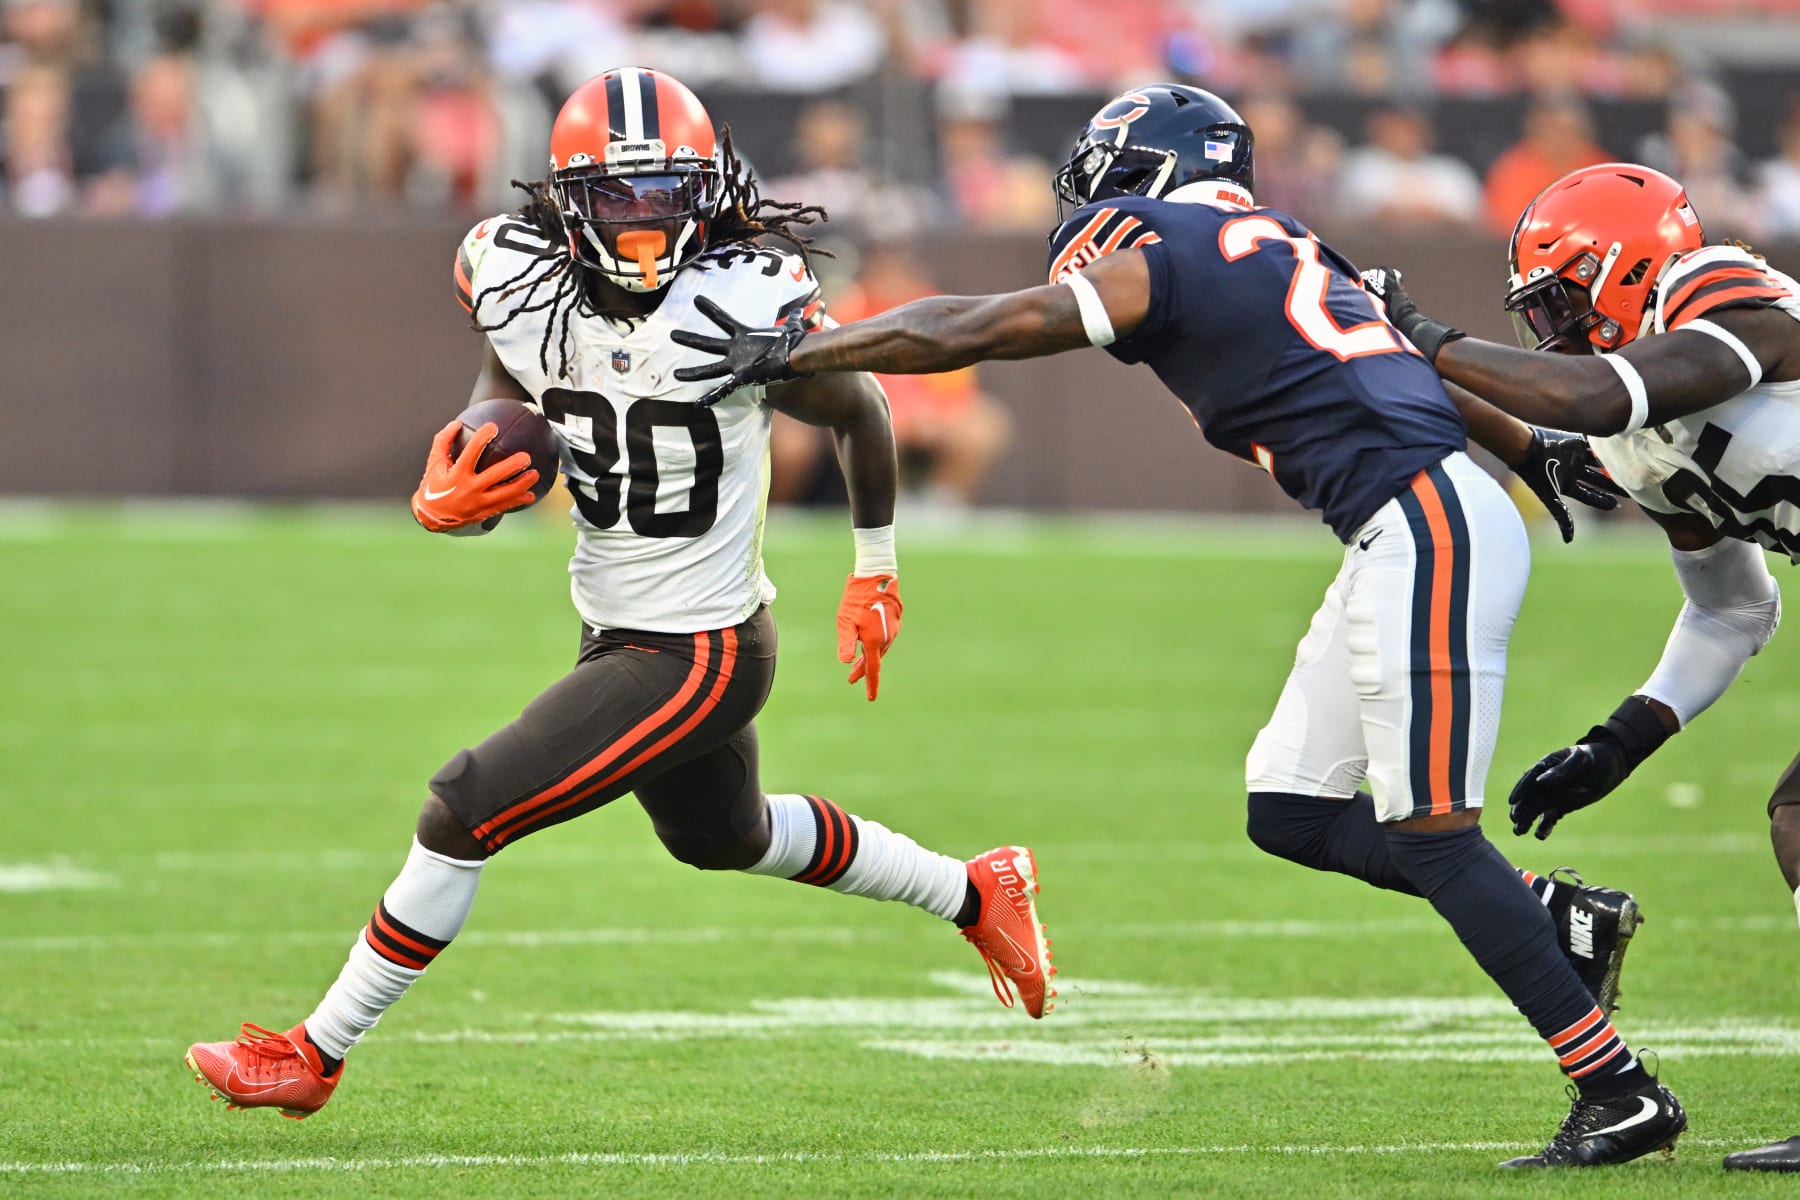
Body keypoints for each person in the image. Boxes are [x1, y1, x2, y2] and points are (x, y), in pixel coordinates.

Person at [673, 84, 1683, 1169]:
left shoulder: (1169, 237)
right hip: (1415, 516)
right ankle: (1555, 922)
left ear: (1146, 168)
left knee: (1432, 830)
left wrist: (806, 351)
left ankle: (1618, 1091)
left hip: (1423, 521)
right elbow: (1407, 348)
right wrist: (1530, 453)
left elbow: (994, 324)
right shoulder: (1282, 236)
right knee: (1291, 807)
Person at [182, 67, 1056, 1121]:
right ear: (567, 201)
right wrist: (454, 474)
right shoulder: (516, 277)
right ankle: (976, 890)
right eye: (620, 204)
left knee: (463, 807)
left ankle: (314, 1053)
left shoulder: (744, 296)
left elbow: (861, 404)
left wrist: (875, 568)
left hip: (700, 652)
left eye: (667, 201)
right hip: (618, 627)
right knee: (722, 837)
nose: (646, 233)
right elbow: (513, 386)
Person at [1363, 160, 1800, 1173]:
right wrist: (1618, 742)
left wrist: (1428, 338)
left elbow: (1598, 395)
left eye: (1562, 301)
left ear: (1627, 265)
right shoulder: (1649, 435)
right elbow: (1733, 605)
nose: (1551, 330)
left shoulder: (1716, 288)